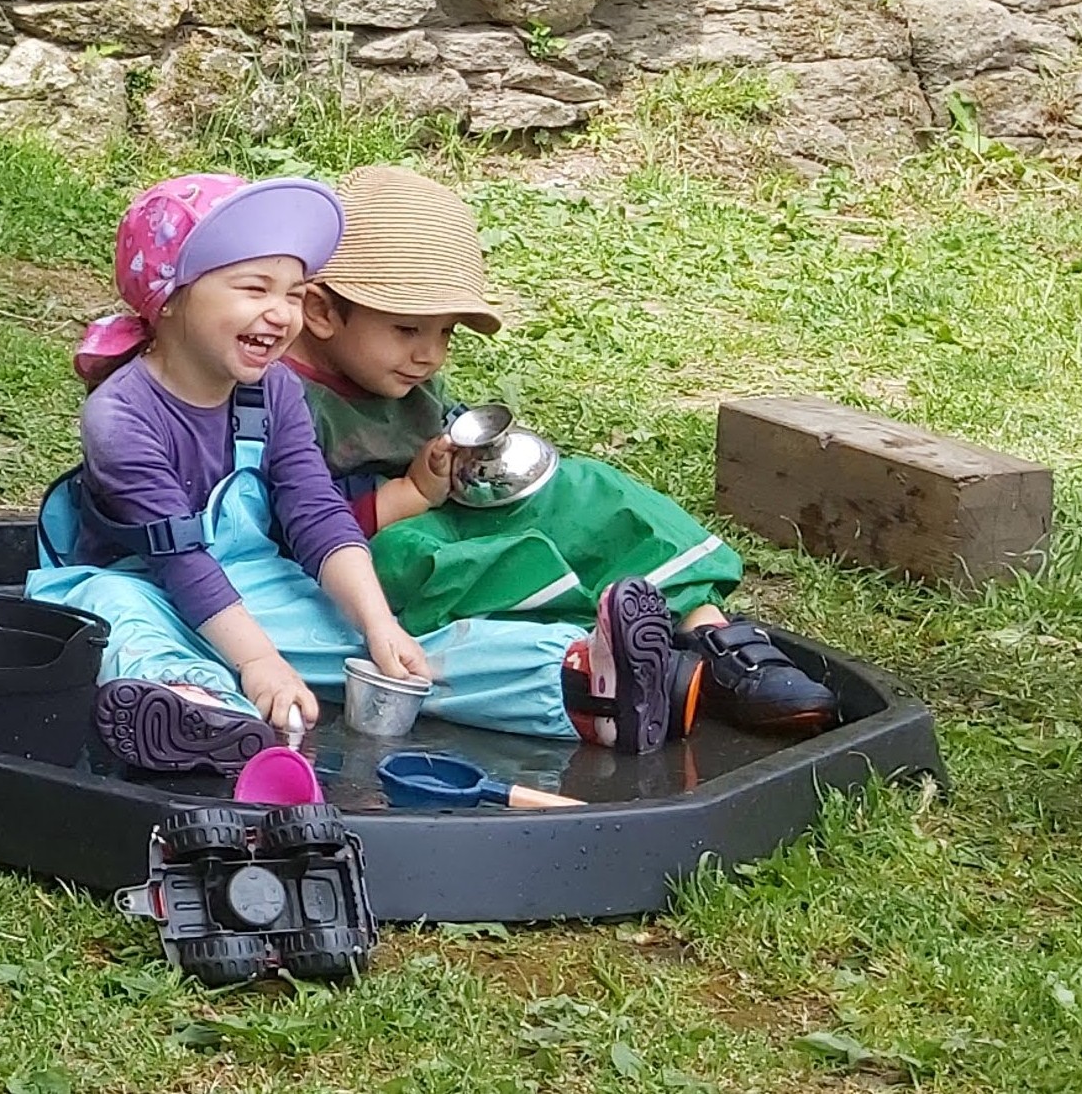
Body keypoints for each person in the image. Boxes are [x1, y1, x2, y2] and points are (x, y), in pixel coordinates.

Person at [25, 172, 694, 775]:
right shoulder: (121, 416)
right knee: (108, 616)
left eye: (292, 294)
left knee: (399, 651)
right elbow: (181, 563)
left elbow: (317, 515)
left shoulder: (272, 391)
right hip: (146, 582)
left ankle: (574, 682)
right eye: (255, 289)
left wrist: (378, 625)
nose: (281, 313)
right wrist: (259, 663)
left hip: (258, 587)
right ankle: (194, 705)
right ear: (170, 298)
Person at [281, 165, 838, 736]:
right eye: (408, 330)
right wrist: (411, 493)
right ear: (322, 311)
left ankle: (711, 636)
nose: (431, 355)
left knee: (591, 487)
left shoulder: (406, 380)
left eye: (446, 332)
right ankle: (615, 658)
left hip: (448, 512)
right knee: (438, 559)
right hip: (369, 550)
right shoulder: (289, 399)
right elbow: (294, 528)